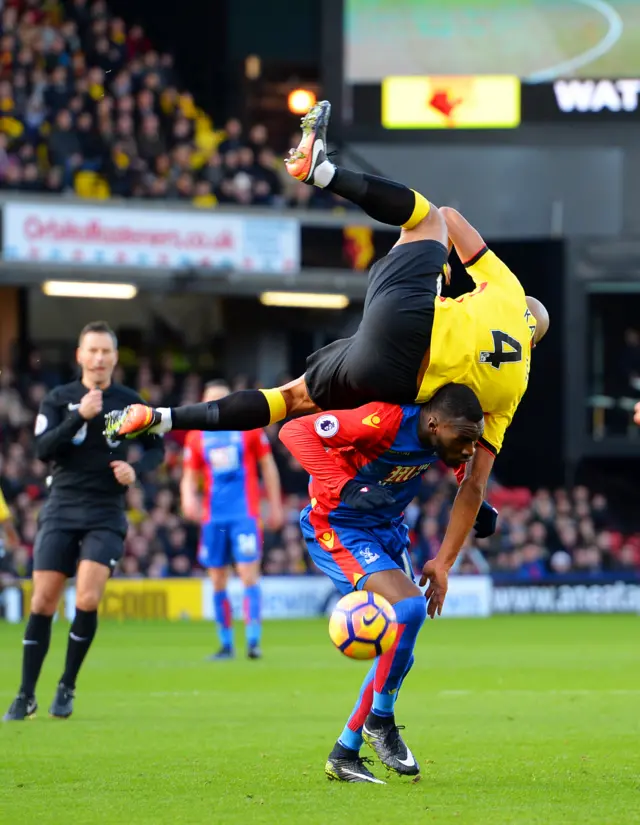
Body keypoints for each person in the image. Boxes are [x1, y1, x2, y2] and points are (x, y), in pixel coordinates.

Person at [105, 99, 548, 567]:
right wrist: (457, 539)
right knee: (289, 399)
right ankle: (162, 418)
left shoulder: (506, 289)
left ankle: (324, 174)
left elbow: (452, 218)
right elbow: (473, 476)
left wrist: (444, 274)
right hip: (393, 379)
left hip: (408, 321)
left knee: (427, 220)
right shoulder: (515, 387)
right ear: (535, 341)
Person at [278, 383, 485, 783]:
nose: (470, 449)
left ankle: (346, 750)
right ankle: (381, 719)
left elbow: (463, 465)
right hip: (341, 527)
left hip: (388, 529)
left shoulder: (442, 437)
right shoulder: (382, 420)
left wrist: (481, 502)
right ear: (433, 422)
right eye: (463, 439)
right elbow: (295, 431)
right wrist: (346, 486)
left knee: (399, 654)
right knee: (408, 608)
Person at [3, 322, 164, 722]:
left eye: (106, 351)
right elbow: (42, 449)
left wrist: (135, 469)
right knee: (42, 601)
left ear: (114, 356)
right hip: (61, 506)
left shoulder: (130, 401)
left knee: (87, 599)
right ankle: (25, 694)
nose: (99, 358)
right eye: (91, 351)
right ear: (80, 355)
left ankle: (67, 685)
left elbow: (157, 449)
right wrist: (79, 417)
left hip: (105, 511)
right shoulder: (59, 399)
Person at [180, 381, 283, 660]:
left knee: (249, 576)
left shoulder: (248, 429)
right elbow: (189, 475)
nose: (214, 405)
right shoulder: (196, 436)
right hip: (213, 518)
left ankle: (253, 641)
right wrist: (188, 497)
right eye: (209, 400)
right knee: (217, 580)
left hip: (244, 515)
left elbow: (268, 467)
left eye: (220, 400)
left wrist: (274, 505)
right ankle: (226, 644)